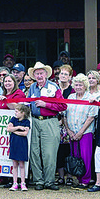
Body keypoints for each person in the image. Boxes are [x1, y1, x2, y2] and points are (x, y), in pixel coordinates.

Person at [25, 62, 63, 191]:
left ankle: (49, 180)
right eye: (37, 73)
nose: (39, 76)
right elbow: (28, 103)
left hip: (49, 121)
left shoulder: (54, 87)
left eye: (41, 73)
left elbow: (62, 106)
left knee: (49, 153)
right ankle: (38, 180)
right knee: (34, 152)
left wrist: (46, 105)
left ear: (46, 74)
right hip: (35, 121)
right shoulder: (32, 88)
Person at [65, 74, 98, 188]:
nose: (78, 87)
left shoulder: (90, 98)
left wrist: (80, 132)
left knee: (85, 156)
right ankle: (78, 179)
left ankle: (85, 180)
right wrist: (69, 130)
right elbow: (64, 115)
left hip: (85, 132)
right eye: (76, 85)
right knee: (75, 156)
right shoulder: (70, 97)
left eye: (81, 85)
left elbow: (91, 117)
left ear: (85, 86)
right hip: (72, 132)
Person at [6, 103, 31, 191]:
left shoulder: (27, 121)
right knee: (15, 164)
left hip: (22, 144)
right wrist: (18, 127)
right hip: (14, 143)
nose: (15, 113)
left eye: (17, 111)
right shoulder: (13, 119)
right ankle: (15, 182)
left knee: (21, 164)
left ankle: (23, 182)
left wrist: (14, 131)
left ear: (22, 113)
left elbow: (25, 133)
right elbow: (8, 129)